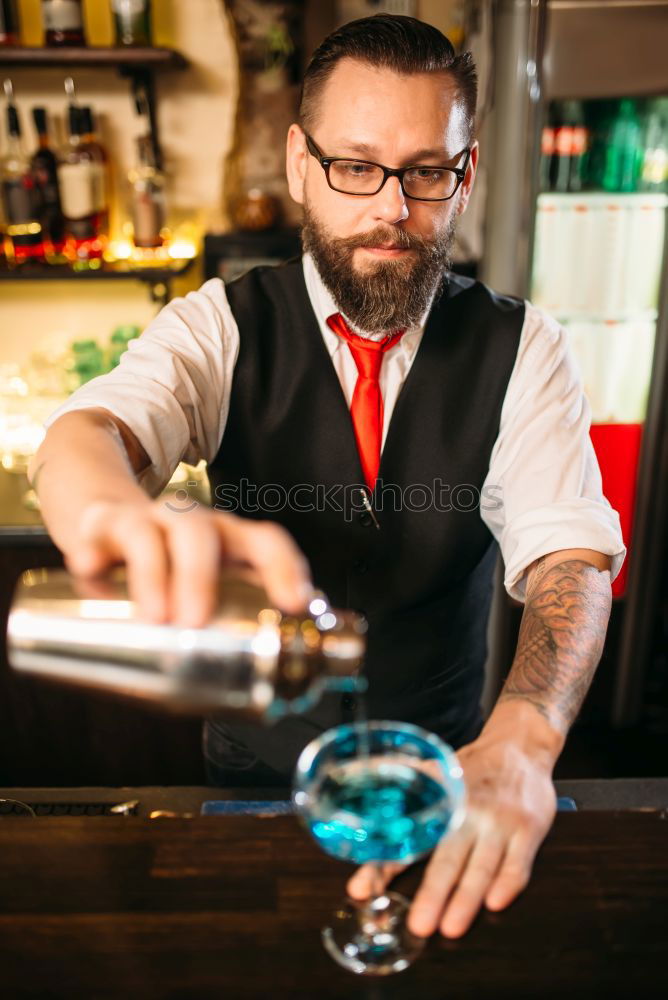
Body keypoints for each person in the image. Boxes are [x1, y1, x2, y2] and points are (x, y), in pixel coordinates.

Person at [30, 15, 624, 940]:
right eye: (357, 166)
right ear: (302, 163)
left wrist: (525, 739)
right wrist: (116, 513)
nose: (392, 207)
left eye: (427, 171)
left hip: (440, 771)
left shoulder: (524, 346)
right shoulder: (219, 327)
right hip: (255, 777)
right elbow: (89, 434)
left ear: (463, 176)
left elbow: (570, 565)